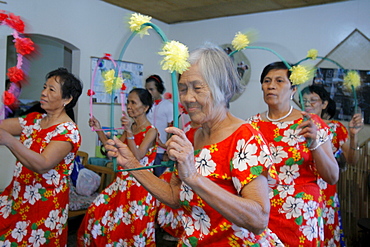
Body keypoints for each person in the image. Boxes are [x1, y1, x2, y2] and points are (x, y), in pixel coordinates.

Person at [104, 43, 282, 246]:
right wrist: (131, 164)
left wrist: (194, 178)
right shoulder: (189, 135)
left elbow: (258, 220)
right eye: (183, 89)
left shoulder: (244, 138)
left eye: (198, 88)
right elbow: (174, 196)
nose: (188, 98)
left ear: (222, 88)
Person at [247, 61, 339, 246]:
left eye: (279, 80)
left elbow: (332, 176)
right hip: (263, 212)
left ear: (293, 89)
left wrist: (314, 145)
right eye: (266, 81)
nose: (271, 85)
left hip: (301, 215)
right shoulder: (251, 126)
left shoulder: (310, 122)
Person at [0, 68, 83, 245]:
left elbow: (43, 164)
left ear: (67, 99)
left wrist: (10, 141)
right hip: (18, 197)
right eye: (44, 87)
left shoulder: (68, 131)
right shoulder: (34, 120)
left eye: (51, 90)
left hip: (43, 208)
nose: (43, 92)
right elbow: (4, 126)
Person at [77, 88, 158, 246]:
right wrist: (99, 128)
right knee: (98, 211)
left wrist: (128, 132)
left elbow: (138, 156)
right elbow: (111, 148)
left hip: (140, 186)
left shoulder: (151, 131)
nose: (128, 106)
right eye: (128, 102)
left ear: (146, 107)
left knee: (133, 229)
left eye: (133, 102)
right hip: (122, 183)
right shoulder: (132, 128)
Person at [302, 85, 364, 246]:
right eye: (305, 100)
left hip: (325, 189)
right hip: (300, 192)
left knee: (326, 232)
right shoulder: (295, 126)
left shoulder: (335, 128)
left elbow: (352, 160)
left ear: (324, 104)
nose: (308, 104)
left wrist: (353, 136)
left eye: (313, 100)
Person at [145, 75, 173, 176]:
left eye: (151, 89)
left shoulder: (168, 106)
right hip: (146, 150)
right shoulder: (146, 106)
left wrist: (167, 151)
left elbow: (172, 129)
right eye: (147, 89)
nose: (149, 92)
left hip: (161, 151)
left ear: (159, 89)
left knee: (160, 179)